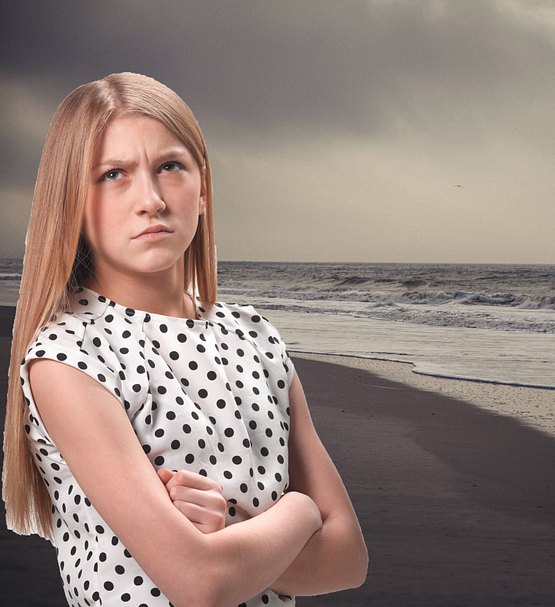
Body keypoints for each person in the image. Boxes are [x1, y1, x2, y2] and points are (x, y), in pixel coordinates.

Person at [2, 72, 368, 607]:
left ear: (203, 190)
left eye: (169, 166)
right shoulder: (70, 356)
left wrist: (229, 541)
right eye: (112, 174)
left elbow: (348, 559)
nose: (150, 199)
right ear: (71, 203)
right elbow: (201, 584)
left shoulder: (256, 339)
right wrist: (300, 512)